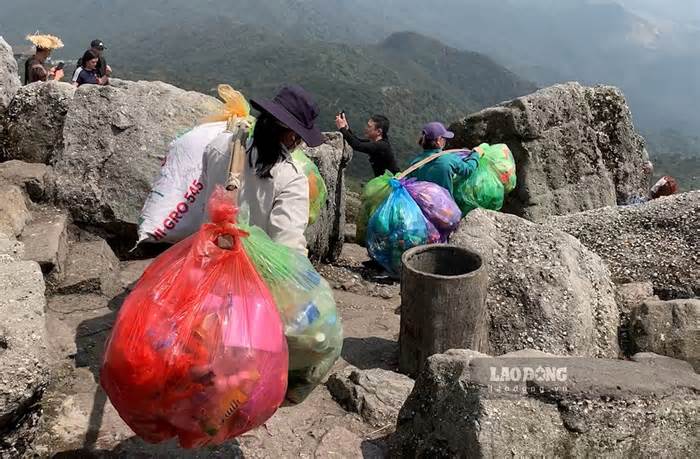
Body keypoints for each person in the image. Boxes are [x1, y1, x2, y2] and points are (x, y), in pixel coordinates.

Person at [202, 85, 322, 254]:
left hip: (203, 258)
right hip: (246, 274)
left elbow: (203, 199)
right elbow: (288, 246)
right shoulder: (291, 178)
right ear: (292, 136)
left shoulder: (217, 146)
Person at [406, 122, 479, 196]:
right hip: (445, 205)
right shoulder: (449, 158)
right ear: (438, 140)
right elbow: (468, 169)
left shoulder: (415, 164)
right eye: (444, 138)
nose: (445, 141)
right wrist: (475, 154)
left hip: (423, 205)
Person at [335, 113, 399, 177]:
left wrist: (342, 128)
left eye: (369, 126)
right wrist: (346, 128)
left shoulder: (381, 146)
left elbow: (357, 145)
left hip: (392, 183)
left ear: (379, 131)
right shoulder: (377, 143)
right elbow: (357, 140)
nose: (366, 128)